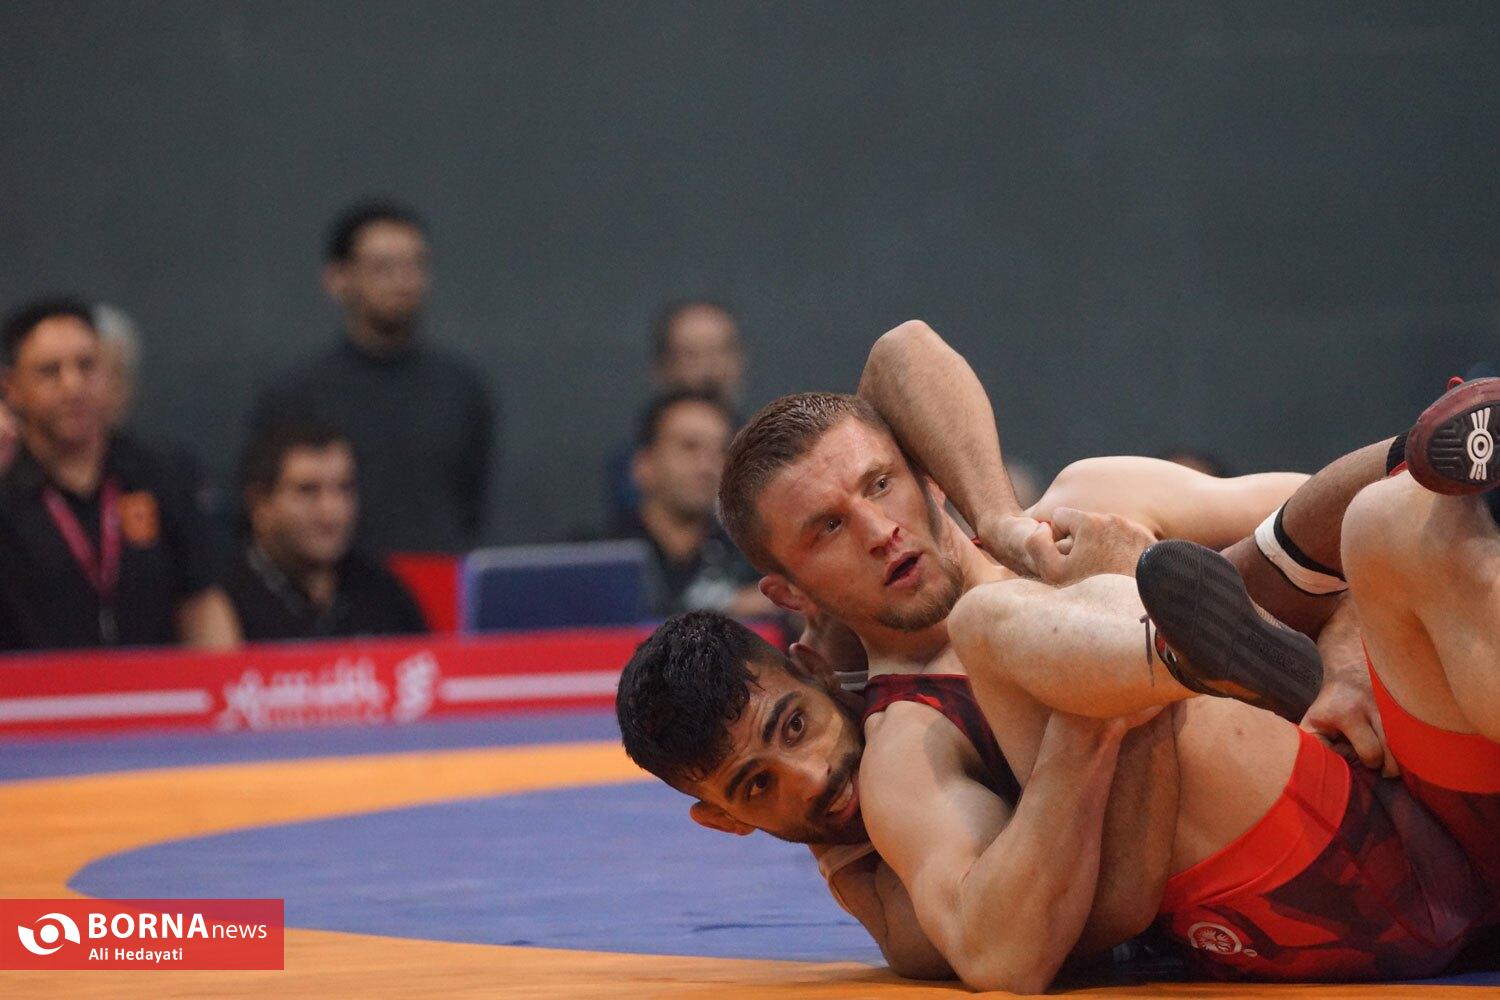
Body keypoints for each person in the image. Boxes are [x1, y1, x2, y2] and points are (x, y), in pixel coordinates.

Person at [619, 322, 1494, 989]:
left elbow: (902, 353)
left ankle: (1419, 447)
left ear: (927, 475)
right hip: (1330, 896)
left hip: (1438, 804)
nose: (879, 530)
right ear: (792, 594)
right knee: (994, 622)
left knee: (1394, 515)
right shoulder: (903, 747)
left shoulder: (1082, 501)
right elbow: (1009, 949)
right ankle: (1162, 654)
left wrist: (1343, 662)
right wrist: (1103, 703)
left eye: (881, 485)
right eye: (827, 531)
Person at [251, 199, 496, 553]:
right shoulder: (297, 395)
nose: (403, 281)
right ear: (338, 278)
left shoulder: (462, 388)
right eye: (383, 267)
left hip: (437, 574)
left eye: (416, 265)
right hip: (334, 578)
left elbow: (472, 504)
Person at [0, 298, 240, 652]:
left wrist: (223, 679)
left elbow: (202, 604)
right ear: (11, 388)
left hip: (151, 682)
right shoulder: (5, 483)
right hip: (28, 685)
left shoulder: (162, 473)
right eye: (50, 371)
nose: (73, 386)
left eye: (87, 366)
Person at [225, 420, 427, 642]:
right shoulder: (222, 599)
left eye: (344, 488)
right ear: (259, 503)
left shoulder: (381, 591)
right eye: (308, 490)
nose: (330, 511)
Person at [612, 389, 772, 619]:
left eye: (722, 451)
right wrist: (725, 609)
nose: (707, 466)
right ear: (643, 465)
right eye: (689, 447)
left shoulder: (757, 562)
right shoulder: (597, 557)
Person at [605, 299, 746, 533]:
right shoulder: (633, 464)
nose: (709, 368)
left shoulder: (767, 452)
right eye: (691, 354)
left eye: (720, 351)